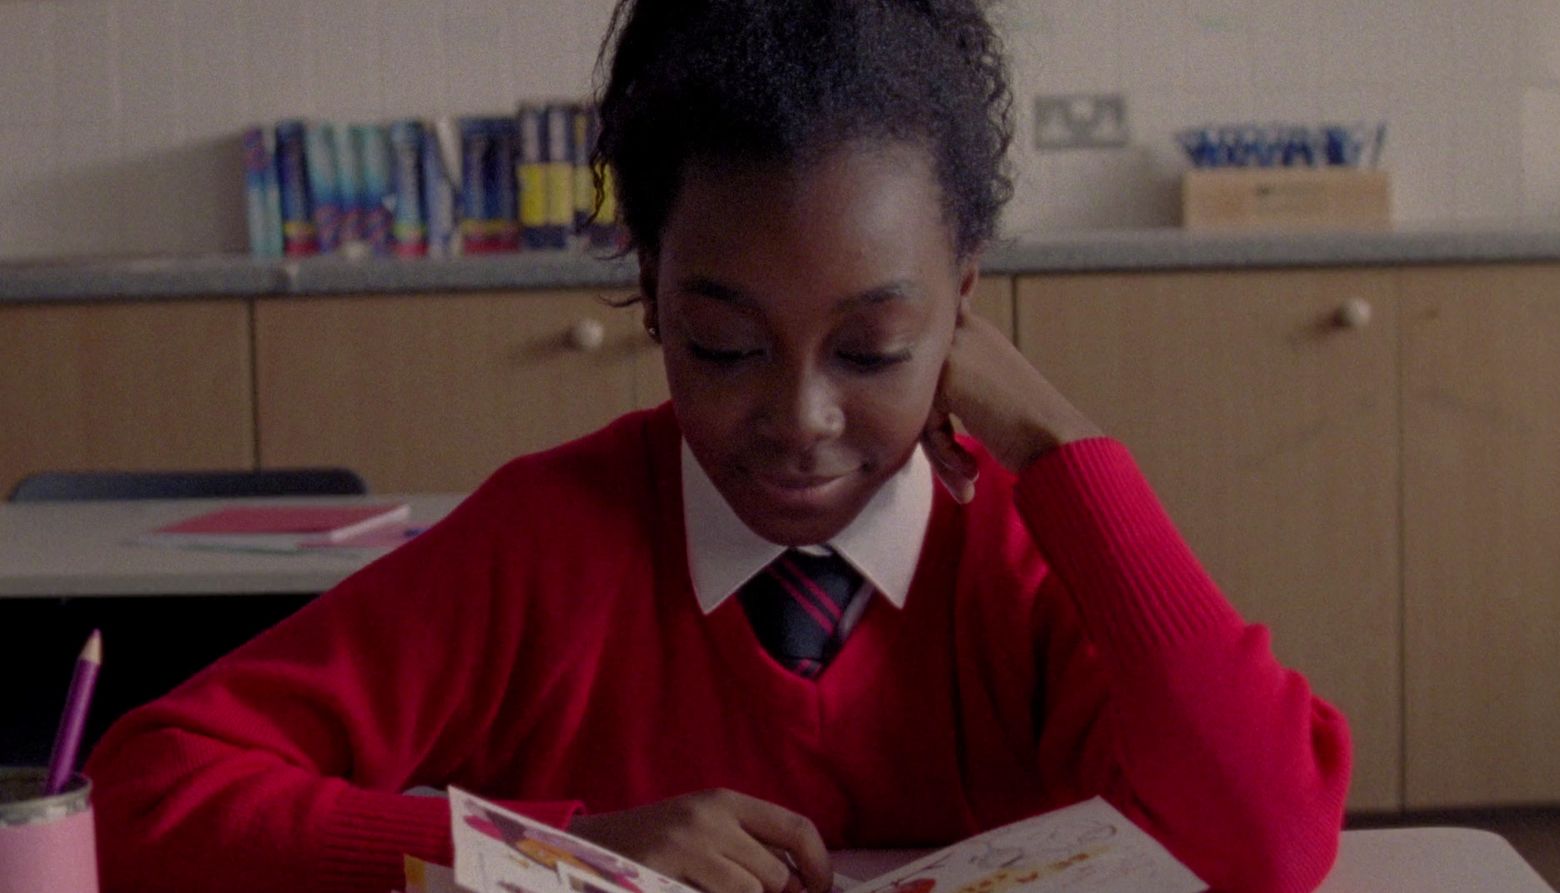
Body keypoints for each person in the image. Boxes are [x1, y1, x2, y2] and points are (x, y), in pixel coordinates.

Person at [84, 1, 1351, 892]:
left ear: (965, 304)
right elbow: (150, 796)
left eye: (870, 351)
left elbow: (1268, 838)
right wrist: (564, 852)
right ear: (649, 292)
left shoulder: (1025, 552)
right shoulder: (546, 544)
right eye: (725, 346)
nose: (800, 419)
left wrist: (1063, 443)